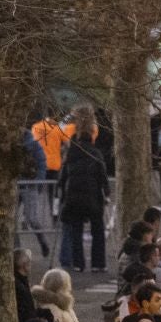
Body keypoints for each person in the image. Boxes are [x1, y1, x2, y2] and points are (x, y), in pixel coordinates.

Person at [58, 106, 111, 273]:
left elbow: (63, 176)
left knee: (76, 231)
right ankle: (98, 262)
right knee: (98, 230)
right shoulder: (96, 154)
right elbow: (103, 176)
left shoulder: (71, 155)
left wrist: (59, 194)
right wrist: (107, 192)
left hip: (73, 196)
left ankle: (78, 263)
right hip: (93, 196)